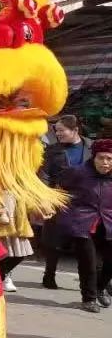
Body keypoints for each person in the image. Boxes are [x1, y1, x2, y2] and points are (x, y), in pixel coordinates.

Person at [57, 138, 112, 312]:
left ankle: (100, 288)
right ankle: (89, 299)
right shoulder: (78, 172)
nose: (105, 162)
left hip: (108, 223)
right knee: (88, 262)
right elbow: (60, 190)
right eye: (101, 158)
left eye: (109, 159)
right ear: (94, 157)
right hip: (82, 223)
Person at [38, 115, 90, 289]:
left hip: (86, 201)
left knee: (85, 241)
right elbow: (44, 174)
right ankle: (49, 274)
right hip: (59, 197)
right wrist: (46, 197)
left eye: (62, 130)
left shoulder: (91, 147)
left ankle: (88, 281)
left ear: (75, 130)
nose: (58, 134)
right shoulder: (52, 150)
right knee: (54, 241)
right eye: (56, 131)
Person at [0, 193, 32, 294]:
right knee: (1, 256)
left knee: (19, 255)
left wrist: (42, 207)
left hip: (17, 222)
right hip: (0, 223)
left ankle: (1, 276)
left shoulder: (20, 186)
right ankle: (0, 278)